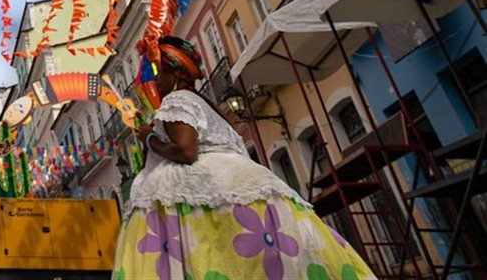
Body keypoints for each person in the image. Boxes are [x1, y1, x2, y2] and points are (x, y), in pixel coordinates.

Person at [114, 36, 376, 280]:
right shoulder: (205, 104)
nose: (156, 82)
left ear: (176, 73)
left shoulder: (176, 99)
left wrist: (149, 137)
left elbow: (186, 152)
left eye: (160, 74)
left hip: (209, 191)